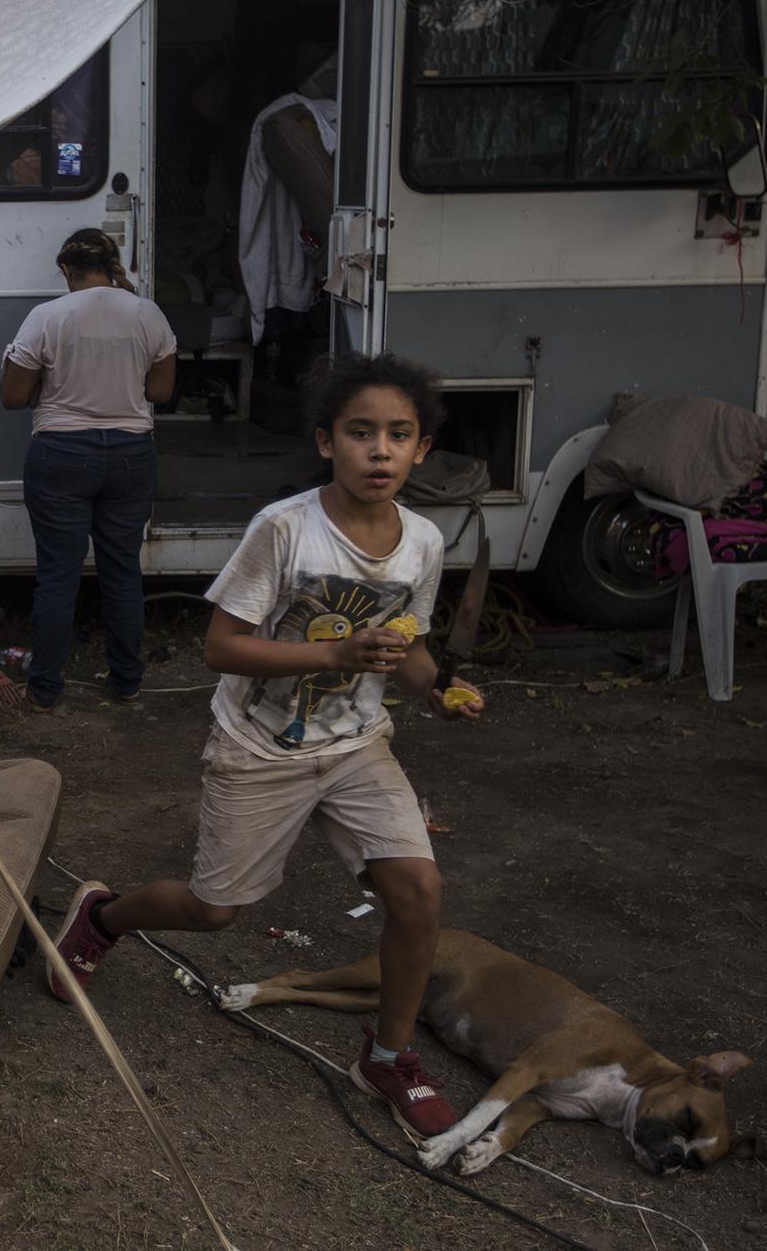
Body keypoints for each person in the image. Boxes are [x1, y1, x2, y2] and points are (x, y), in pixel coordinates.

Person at [45, 352, 488, 1141]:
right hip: (259, 747)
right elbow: (221, 647)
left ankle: (387, 1054)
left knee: (419, 894)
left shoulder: (422, 542)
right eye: (360, 433)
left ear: (423, 449)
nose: (379, 451)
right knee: (215, 909)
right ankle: (104, 917)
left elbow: (406, 645)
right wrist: (333, 655)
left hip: (356, 744)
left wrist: (435, 689)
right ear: (326, 442)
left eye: (398, 434)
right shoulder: (284, 529)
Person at [0, 228, 177, 711]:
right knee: (122, 574)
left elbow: (12, 396)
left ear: (65, 269)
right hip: (130, 456)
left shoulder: (47, 317)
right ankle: (126, 683)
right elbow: (161, 392)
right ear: (113, 263)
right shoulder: (148, 314)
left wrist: (47, 389)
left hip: (60, 454)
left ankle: (45, 690)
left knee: (58, 575)